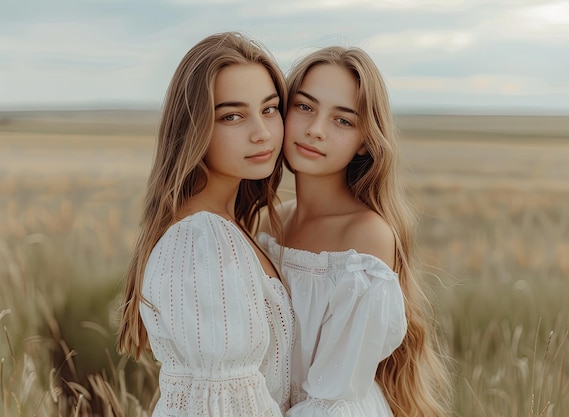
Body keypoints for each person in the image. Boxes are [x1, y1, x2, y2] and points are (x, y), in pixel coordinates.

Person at [258, 46, 453, 417]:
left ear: (365, 140)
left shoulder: (365, 238)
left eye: (342, 120)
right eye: (305, 107)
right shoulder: (270, 223)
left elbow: (330, 401)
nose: (315, 130)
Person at [116, 32, 294, 416]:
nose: (261, 132)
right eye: (232, 116)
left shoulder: (225, 224)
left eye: (269, 109)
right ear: (193, 128)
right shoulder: (202, 240)